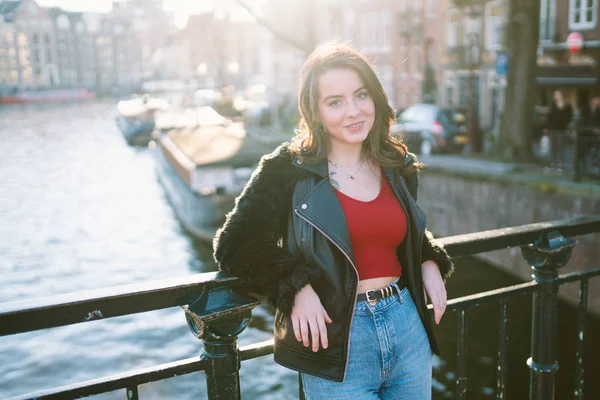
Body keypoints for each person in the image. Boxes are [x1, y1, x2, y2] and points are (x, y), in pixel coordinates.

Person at [213, 42, 453, 399]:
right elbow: (234, 246)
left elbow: (395, 234)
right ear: (316, 112)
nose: (353, 112)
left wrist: (428, 258)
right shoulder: (287, 170)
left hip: (406, 326)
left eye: (361, 95)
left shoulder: (396, 165)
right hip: (336, 338)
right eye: (335, 102)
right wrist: (293, 286)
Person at [547, 90, 573, 169]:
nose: (556, 96)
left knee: (560, 146)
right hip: (552, 128)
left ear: (561, 95)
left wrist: (566, 123)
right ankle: (553, 162)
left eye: (558, 94)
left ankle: (560, 162)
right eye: (555, 95)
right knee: (553, 146)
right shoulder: (552, 105)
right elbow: (549, 117)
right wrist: (547, 127)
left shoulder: (567, 106)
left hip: (561, 128)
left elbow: (570, 115)